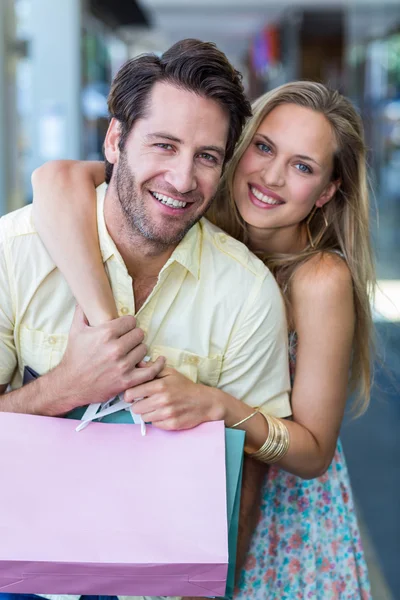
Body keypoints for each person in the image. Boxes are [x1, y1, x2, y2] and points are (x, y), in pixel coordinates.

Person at [32, 80, 375, 599]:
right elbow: (54, 178)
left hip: (283, 522)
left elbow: (313, 454)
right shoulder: (195, 210)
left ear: (327, 191)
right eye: (264, 147)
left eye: (303, 166)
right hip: (188, 497)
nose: (272, 176)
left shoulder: (318, 279)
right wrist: (106, 332)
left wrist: (214, 404)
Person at [0, 40, 292, 600]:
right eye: (164, 145)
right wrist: (61, 388)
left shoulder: (248, 293)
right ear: (115, 140)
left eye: (206, 156)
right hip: (21, 573)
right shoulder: (17, 253)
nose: (183, 180)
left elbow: (251, 469)